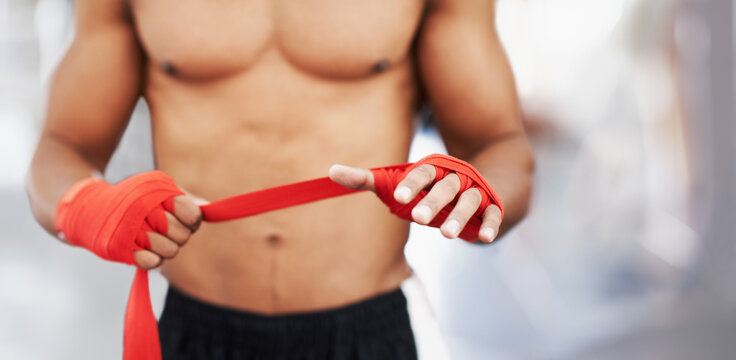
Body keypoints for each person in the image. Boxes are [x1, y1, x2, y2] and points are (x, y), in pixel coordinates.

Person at [26, 0, 534, 358]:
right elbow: (62, 149)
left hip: (366, 330)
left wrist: (479, 198)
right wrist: (85, 206)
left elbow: (500, 146)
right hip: (196, 327)